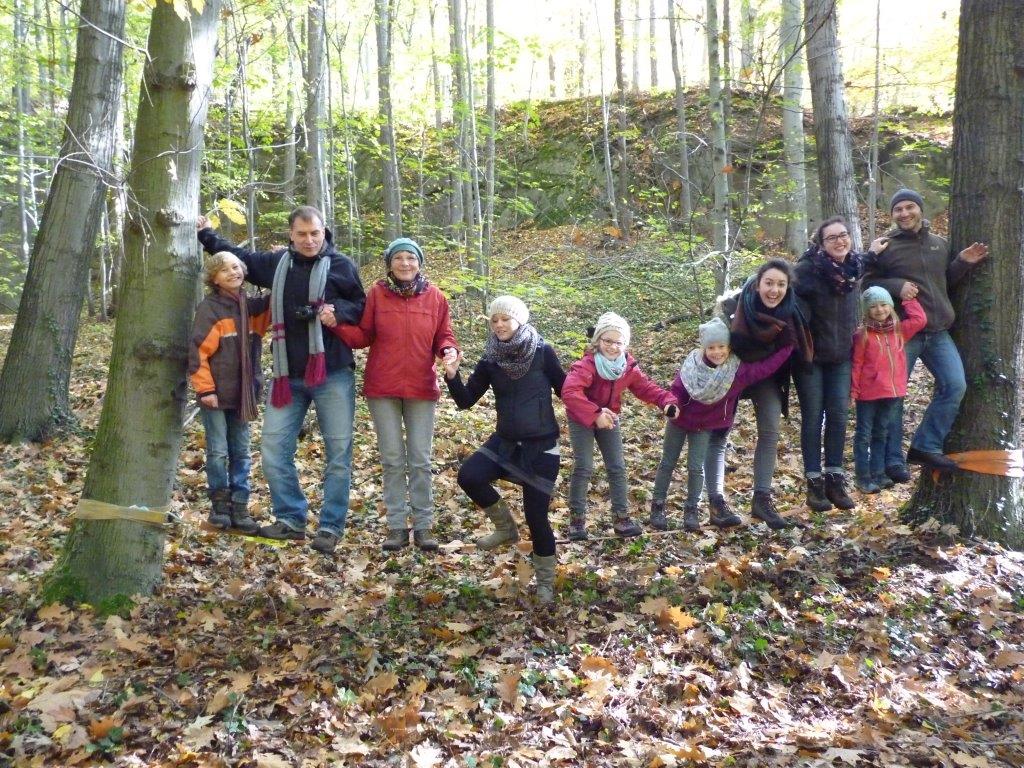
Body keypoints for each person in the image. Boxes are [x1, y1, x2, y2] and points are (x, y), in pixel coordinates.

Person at [196, 206, 366, 554]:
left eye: (315, 233)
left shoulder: (341, 265)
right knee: (273, 449)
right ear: (291, 234)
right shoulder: (276, 265)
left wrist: (338, 312)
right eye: (301, 234)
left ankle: (331, 526)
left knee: (338, 454)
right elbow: (240, 258)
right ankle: (290, 519)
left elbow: (361, 305)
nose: (309, 240)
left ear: (324, 232)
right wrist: (206, 233)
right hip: (288, 374)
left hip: (332, 371)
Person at [331, 237, 459, 553]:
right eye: (399, 258)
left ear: (419, 263)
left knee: (419, 459)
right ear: (390, 263)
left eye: (411, 258)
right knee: (391, 459)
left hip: (420, 388)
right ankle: (397, 528)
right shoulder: (377, 294)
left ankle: (424, 527)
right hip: (382, 388)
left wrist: (449, 352)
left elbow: (444, 336)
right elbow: (364, 336)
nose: (405, 263)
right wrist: (336, 326)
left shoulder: (436, 298)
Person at [443, 296, 565, 603]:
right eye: (494, 320)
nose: (499, 325)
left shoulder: (542, 352)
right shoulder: (491, 359)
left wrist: (598, 409)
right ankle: (505, 528)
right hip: (506, 442)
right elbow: (466, 400)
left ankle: (546, 582)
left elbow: (567, 390)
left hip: (541, 447)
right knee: (470, 475)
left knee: (537, 517)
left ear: (519, 321)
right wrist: (453, 375)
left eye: (505, 320)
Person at [863, 188, 988, 474]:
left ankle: (925, 446)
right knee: (894, 396)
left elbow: (943, 282)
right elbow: (866, 284)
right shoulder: (884, 246)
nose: (905, 213)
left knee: (955, 385)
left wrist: (962, 263)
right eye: (898, 209)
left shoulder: (940, 244)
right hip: (902, 333)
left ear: (920, 209)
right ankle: (891, 460)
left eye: (910, 207)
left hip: (939, 332)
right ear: (892, 215)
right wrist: (896, 287)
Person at [652, 317, 793, 531]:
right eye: (711, 347)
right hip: (679, 420)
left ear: (729, 347)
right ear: (703, 347)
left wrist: (788, 347)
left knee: (695, 467)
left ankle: (692, 510)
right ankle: (658, 506)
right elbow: (677, 389)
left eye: (721, 347)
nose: (717, 352)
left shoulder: (736, 371)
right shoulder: (692, 364)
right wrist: (671, 405)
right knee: (668, 462)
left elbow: (764, 369)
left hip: (704, 425)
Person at [793, 217, 888, 512]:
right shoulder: (807, 270)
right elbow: (789, 306)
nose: (839, 241)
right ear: (820, 244)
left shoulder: (854, 268)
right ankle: (813, 483)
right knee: (813, 417)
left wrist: (873, 251)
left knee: (838, 416)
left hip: (842, 357)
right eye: (831, 237)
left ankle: (835, 477)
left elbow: (867, 259)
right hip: (811, 359)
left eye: (843, 235)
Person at [711, 259, 813, 529]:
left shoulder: (791, 316)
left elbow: (794, 353)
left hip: (766, 376)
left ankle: (762, 498)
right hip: (731, 374)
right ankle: (715, 501)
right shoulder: (734, 308)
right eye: (769, 283)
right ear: (757, 285)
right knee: (719, 434)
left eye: (781, 284)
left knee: (770, 430)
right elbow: (715, 348)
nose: (774, 290)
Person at [561, 312, 678, 540]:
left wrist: (667, 401)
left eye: (619, 342)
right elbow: (570, 392)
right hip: (582, 417)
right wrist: (595, 414)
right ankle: (576, 521)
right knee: (584, 466)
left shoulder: (627, 367)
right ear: (598, 341)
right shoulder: (587, 364)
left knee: (617, 466)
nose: (613, 347)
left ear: (625, 344)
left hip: (609, 417)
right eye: (608, 341)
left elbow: (646, 388)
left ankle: (621, 518)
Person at [188, 252, 271, 534]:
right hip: (215, 393)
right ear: (214, 279)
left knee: (242, 452)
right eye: (224, 271)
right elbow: (198, 352)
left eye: (236, 267)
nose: (232, 273)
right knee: (218, 451)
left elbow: (278, 299)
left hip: (243, 393)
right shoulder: (210, 308)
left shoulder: (253, 307)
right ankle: (219, 506)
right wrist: (205, 389)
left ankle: (240, 505)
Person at [851, 287, 927, 493]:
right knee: (864, 434)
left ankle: (878, 473)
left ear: (890, 306)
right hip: (868, 393)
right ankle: (862, 476)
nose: (879, 310)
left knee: (881, 433)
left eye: (883, 304)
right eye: (873, 307)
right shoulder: (863, 335)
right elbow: (857, 364)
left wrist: (907, 299)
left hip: (892, 392)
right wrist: (854, 391)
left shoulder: (899, 331)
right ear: (866, 310)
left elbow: (920, 319)